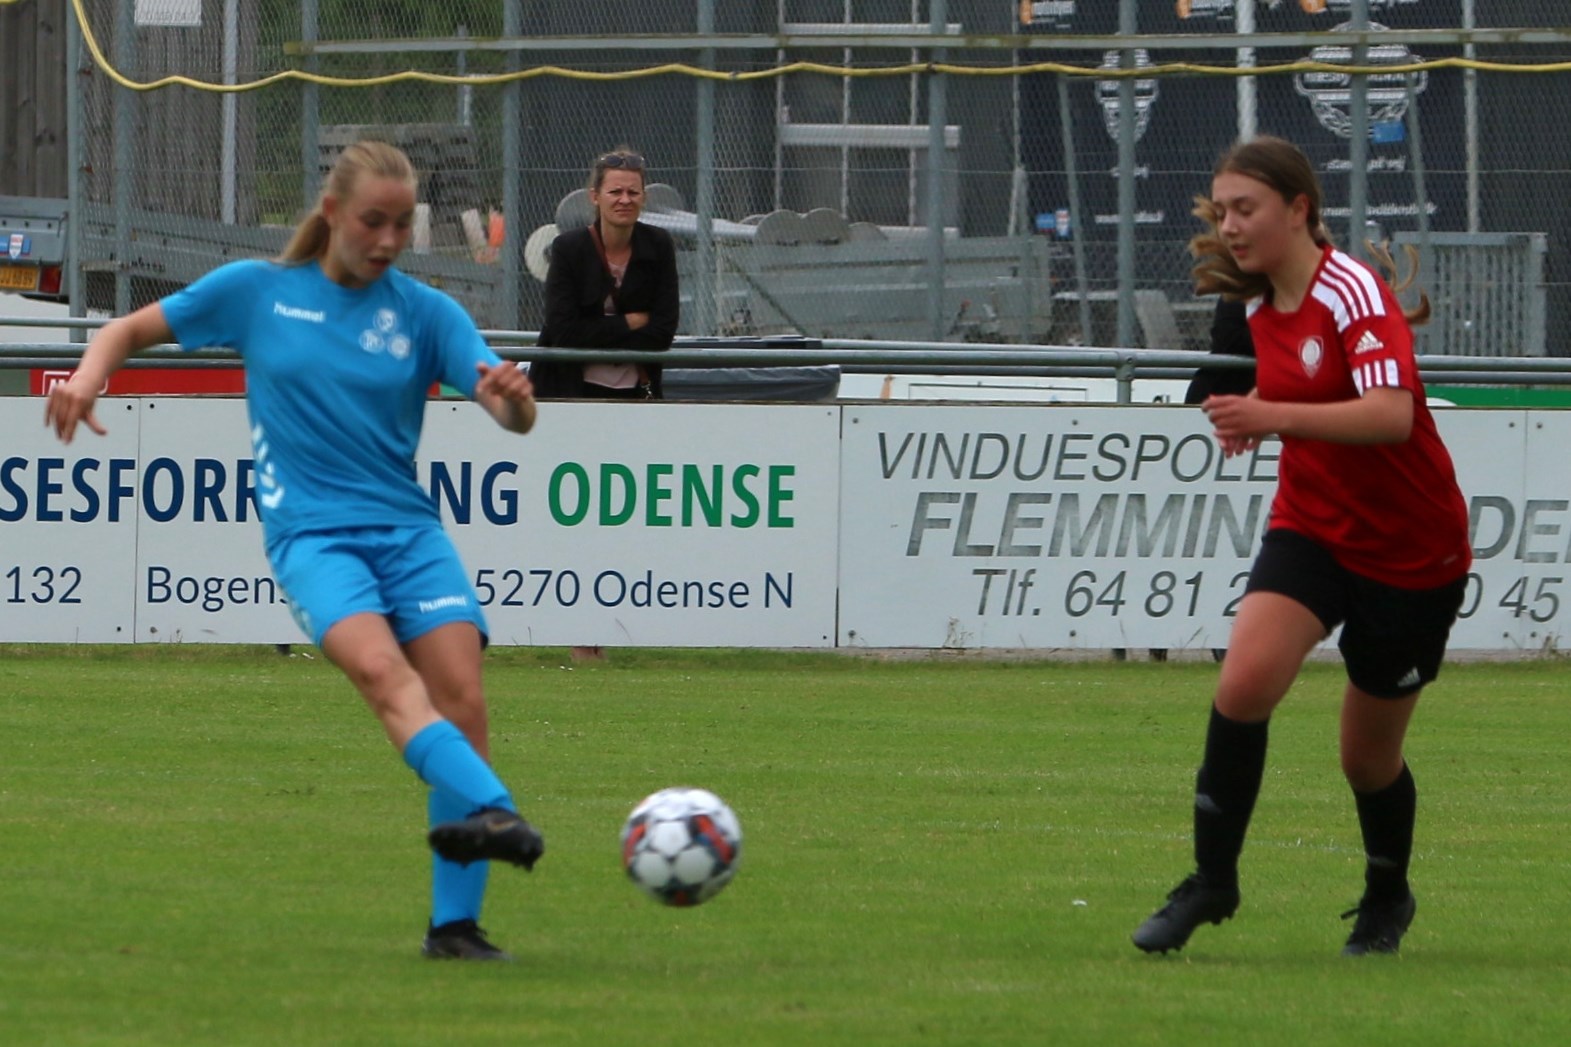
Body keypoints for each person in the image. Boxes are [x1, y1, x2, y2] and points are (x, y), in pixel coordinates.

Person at [45, 140, 545, 962]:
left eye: (401, 225)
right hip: (312, 537)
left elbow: (511, 415)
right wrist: (88, 376)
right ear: (332, 213)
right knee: (383, 675)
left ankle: (454, 928)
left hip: (410, 533)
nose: (389, 240)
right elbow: (128, 330)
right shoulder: (258, 292)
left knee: (462, 699)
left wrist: (511, 400)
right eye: (373, 221)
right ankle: (495, 807)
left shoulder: (426, 313)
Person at [1130, 135, 1471, 958]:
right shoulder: (1251, 305)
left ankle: (1386, 896)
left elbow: (1390, 415)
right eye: (1221, 211)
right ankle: (1211, 880)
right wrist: (1249, 413)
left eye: (1244, 209)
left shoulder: (1351, 290)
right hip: (1312, 527)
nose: (1229, 226)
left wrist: (1270, 414)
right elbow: (1281, 390)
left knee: (1365, 759)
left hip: (1410, 550)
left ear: (1298, 209)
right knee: (1242, 683)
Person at [530, 147, 679, 661]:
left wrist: (610, 331)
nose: (624, 199)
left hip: (634, 399)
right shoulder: (569, 250)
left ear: (644, 197)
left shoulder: (658, 247)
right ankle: (580, 634)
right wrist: (629, 323)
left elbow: (663, 332)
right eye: (614, 190)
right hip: (570, 399)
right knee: (576, 520)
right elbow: (564, 331)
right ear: (594, 196)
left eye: (633, 191)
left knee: (626, 519)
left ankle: (614, 624)